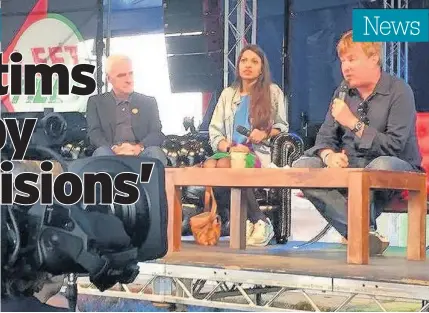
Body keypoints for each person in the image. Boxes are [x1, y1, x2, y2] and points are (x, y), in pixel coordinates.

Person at [292, 30, 423, 255]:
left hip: (395, 167)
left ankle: (355, 230)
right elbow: (324, 138)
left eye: (352, 59)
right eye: (343, 61)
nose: (345, 67)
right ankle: (363, 232)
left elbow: (394, 146)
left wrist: (353, 123)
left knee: (378, 166)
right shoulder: (342, 92)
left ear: (374, 58)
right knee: (302, 167)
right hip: (352, 169)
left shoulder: (399, 91)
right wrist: (328, 156)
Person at [206, 44, 289, 246]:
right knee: (212, 166)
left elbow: (282, 126)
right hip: (231, 151)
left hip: (256, 152)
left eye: (254, 61)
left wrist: (265, 133)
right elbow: (214, 131)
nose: (248, 65)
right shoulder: (228, 94)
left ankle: (256, 220)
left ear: (262, 68)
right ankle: (251, 220)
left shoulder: (272, 92)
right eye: (244, 61)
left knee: (226, 166)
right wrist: (228, 147)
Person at [86, 54, 167, 166]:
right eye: (121, 75)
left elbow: (157, 132)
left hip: (141, 151)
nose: (128, 79)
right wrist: (114, 148)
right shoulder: (95, 102)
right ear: (109, 79)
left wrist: (138, 147)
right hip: (111, 152)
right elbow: (94, 134)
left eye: (130, 73)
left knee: (155, 153)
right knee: (102, 153)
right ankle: (111, 183)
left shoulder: (148, 102)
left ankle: (149, 183)